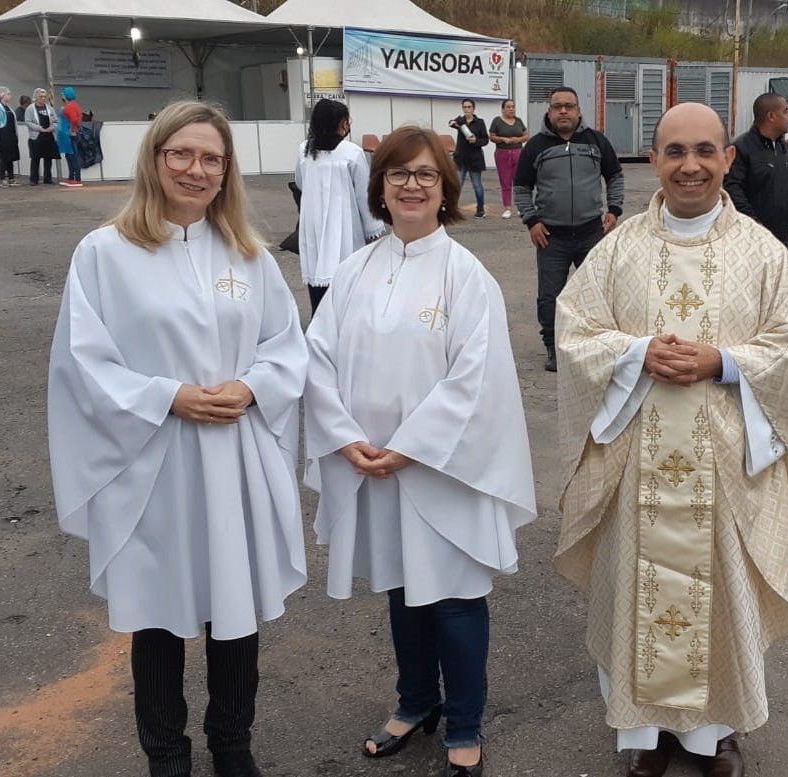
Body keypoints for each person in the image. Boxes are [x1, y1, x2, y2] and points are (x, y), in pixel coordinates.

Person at [47, 100, 309, 777]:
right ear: (155, 159)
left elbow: (287, 345)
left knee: (235, 610)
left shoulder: (247, 254)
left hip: (233, 458)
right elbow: (84, 361)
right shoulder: (106, 253)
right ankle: (166, 755)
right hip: (153, 461)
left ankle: (232, 745)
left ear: (227, 171)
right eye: (182, 154)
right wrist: (167, 396)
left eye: (212, 159)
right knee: (157, 613)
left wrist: (251, 386)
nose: (197, 169)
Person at [554, 102, 788, 777]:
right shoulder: (619, 249)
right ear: (654, 160)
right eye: (675, 151)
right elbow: (575, 329)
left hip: (727, 466)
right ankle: (644, 737)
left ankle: (714, 736)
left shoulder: (763, 252)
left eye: (705, 150)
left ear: (728, 158)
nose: (690, 165)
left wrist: (722, 361)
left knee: (723, 599)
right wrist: (636, 352)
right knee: (635, 597)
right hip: (636, 466)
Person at [303, 126, 536, 777]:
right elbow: (316, 358)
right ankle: (415, 702)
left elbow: (476, 378)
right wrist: (344, 435)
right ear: (379, 187)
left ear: (445, 188)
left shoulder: (466, 276)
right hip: (371, 462)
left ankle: (463, 720)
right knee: (403, 589)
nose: (411, 185)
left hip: (443, 468)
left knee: (454, 598)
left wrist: (409, 447)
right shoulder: (354, 270)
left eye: (425, 174)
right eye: (397, 173)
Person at [513, 85, 624, 372]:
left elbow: (614, 176)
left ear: (578, 110)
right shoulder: (536, 146)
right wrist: (532, 221)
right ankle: (554, 347)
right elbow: (521, 188)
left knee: (596, 293)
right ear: (549, 111)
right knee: (550, 297)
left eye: (569, 106)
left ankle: (596, 343)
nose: (563, 111)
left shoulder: (596, 142)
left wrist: (614, 210)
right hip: (551, 238)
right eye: (557, 106)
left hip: (592, 234)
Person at [295, 98, 385, 314]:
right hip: (345, 226)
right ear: (342, 123)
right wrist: (374, 230)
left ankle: (320, 322)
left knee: (318, 276)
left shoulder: (305, 150)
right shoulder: (351, 152)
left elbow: (299, 182)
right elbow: (364, 195)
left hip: (314, 225)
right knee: (348, 279)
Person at [724, 92, 788, 250]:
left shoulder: (787, 152)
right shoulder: (742, 149)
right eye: (785, 111)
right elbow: (733, 190)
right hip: (750, 242)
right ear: (771, 116)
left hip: (781, 242)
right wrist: (754, 223)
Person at [448, 98, 490, 218]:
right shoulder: (460, 120)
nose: (467, 109)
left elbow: (485, 140)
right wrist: (453, 123)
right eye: (465, 107)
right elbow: (450, 123)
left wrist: (476, 140)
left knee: (477, 185)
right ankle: (452, 208)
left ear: (473, 108)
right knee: (457, 185)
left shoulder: (480, 122)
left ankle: (480, 209)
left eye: (469, 107)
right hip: (460, 159)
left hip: (475, 159)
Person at [488, 98, 528, 219]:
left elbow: (526, 136)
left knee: (519, 181)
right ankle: (507, 208)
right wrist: (502, 139)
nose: (511, 109)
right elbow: (491, 137)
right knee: (505, 182)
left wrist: (518, 139)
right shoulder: (497, 121)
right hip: (502, 154)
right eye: (508, 107)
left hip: (518, 153)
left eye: (513, 107)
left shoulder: (519, 121)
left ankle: (520, 207)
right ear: (503, 109)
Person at [23, 88, 59, 185]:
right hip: (36, 137)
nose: (43, 98)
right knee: (35, 158)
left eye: (44, 96)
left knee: (48, 159)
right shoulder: (30, 109)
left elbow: (56, 121)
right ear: (36, 97)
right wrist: (39, 128)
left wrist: (51, 128)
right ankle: (34, 180)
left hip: (49, 136)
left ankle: (47, 179)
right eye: (41, 96)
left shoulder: (50, 108)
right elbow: (27, 122)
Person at [57, 86, 84, 187]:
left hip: (69, 135)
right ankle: (72, 178)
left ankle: (76, 179)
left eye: (63, 94)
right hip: (68, 135)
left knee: (72, 157)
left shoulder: (69, 106)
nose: (62, 95)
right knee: (70, 156)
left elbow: (74, 119)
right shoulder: (74, 105)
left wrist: (73, 130)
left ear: (66, 95)